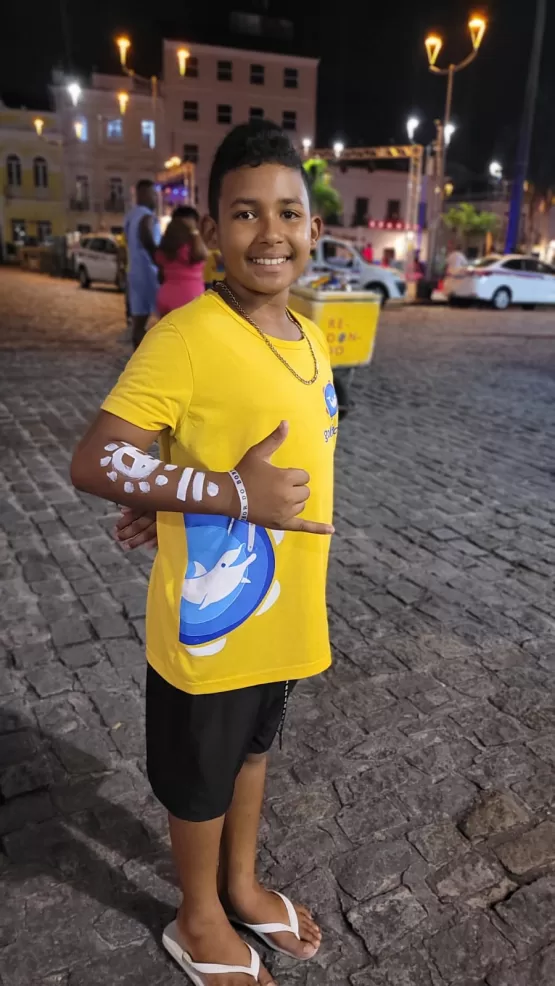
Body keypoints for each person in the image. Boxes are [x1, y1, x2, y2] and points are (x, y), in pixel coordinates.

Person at [70, 119, 337, 986]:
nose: (271, 234)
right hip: (211, 621)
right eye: (246, 214)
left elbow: (235, 449)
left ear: (311, 227)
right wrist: (220, 496)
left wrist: (175, 490)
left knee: (253, 753)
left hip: (285, 609)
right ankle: (195, 918)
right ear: (212, 229)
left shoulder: (313, 333)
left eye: (288, 213)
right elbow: (98, 458)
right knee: (198, 780)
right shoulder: (185, 335)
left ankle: (242, 883)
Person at [124, 179, 161, 350]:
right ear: (143, 194)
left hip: (134, 272)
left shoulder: (130, 216)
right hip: (149, 274)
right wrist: (159, 260)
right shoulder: (147, 215)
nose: (156, 199)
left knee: (138, 323)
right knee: (167, 318)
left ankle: (136, 358)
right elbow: (146, 235)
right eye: (153, 194)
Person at [156, 206, 208, 316]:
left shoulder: (166, 244)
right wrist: (194, 231)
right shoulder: (193, 244)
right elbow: (202, 255)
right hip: (189, 296)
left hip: (166, 294)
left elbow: (160, 276)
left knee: (166, 332)